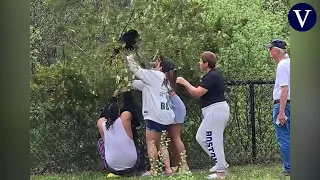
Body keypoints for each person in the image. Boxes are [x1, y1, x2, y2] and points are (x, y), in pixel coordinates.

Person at [176, 51, 230, 179]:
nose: (199, 63)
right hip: (212, 111)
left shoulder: (212, 76)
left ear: (206, 63)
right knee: (201, 137)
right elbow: (196, 93)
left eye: (201, 61)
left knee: (213, 140)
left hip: (215, 110)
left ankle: (220, 172)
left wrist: (184, 82)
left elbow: (198, 92)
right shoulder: (209, 76)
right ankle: (220, 164)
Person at [124, 53, 175, 176]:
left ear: (161, 67)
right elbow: (137, 84)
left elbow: (137, 70)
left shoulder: (156, 75)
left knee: (151, 142)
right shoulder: (164, 81)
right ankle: (168, 169)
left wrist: (129, 56)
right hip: (166, 116)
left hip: (155, 115)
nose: (154, 64)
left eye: (157, 63)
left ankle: (154, 170)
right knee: (161, 144)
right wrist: (126, 80)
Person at [154, 56, 190, 172]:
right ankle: (178, 165)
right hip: (176, 107)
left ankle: (184, 166)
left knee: (176, 137)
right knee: (172, 138)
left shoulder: (163, 79)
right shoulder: (167, 78)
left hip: (176, 107)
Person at [96, 90, 139, 176]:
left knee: (100, 141)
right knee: (134, 141)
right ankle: (141, 166)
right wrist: (126, 92)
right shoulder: (125, 119)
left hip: (113, 168)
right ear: (118, 111)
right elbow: (128, 108)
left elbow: (104, 115)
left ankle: (105, 166)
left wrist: (113, 99)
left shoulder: (101, 124)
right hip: (133, 166)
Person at [264, 39, 290, 177]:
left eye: (270, 49)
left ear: (275, 51)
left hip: (284, 104)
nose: (269, 52)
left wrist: (281, 111)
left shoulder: (282, 66)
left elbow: (284, 89)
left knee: (284, 136)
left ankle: (289, 167)